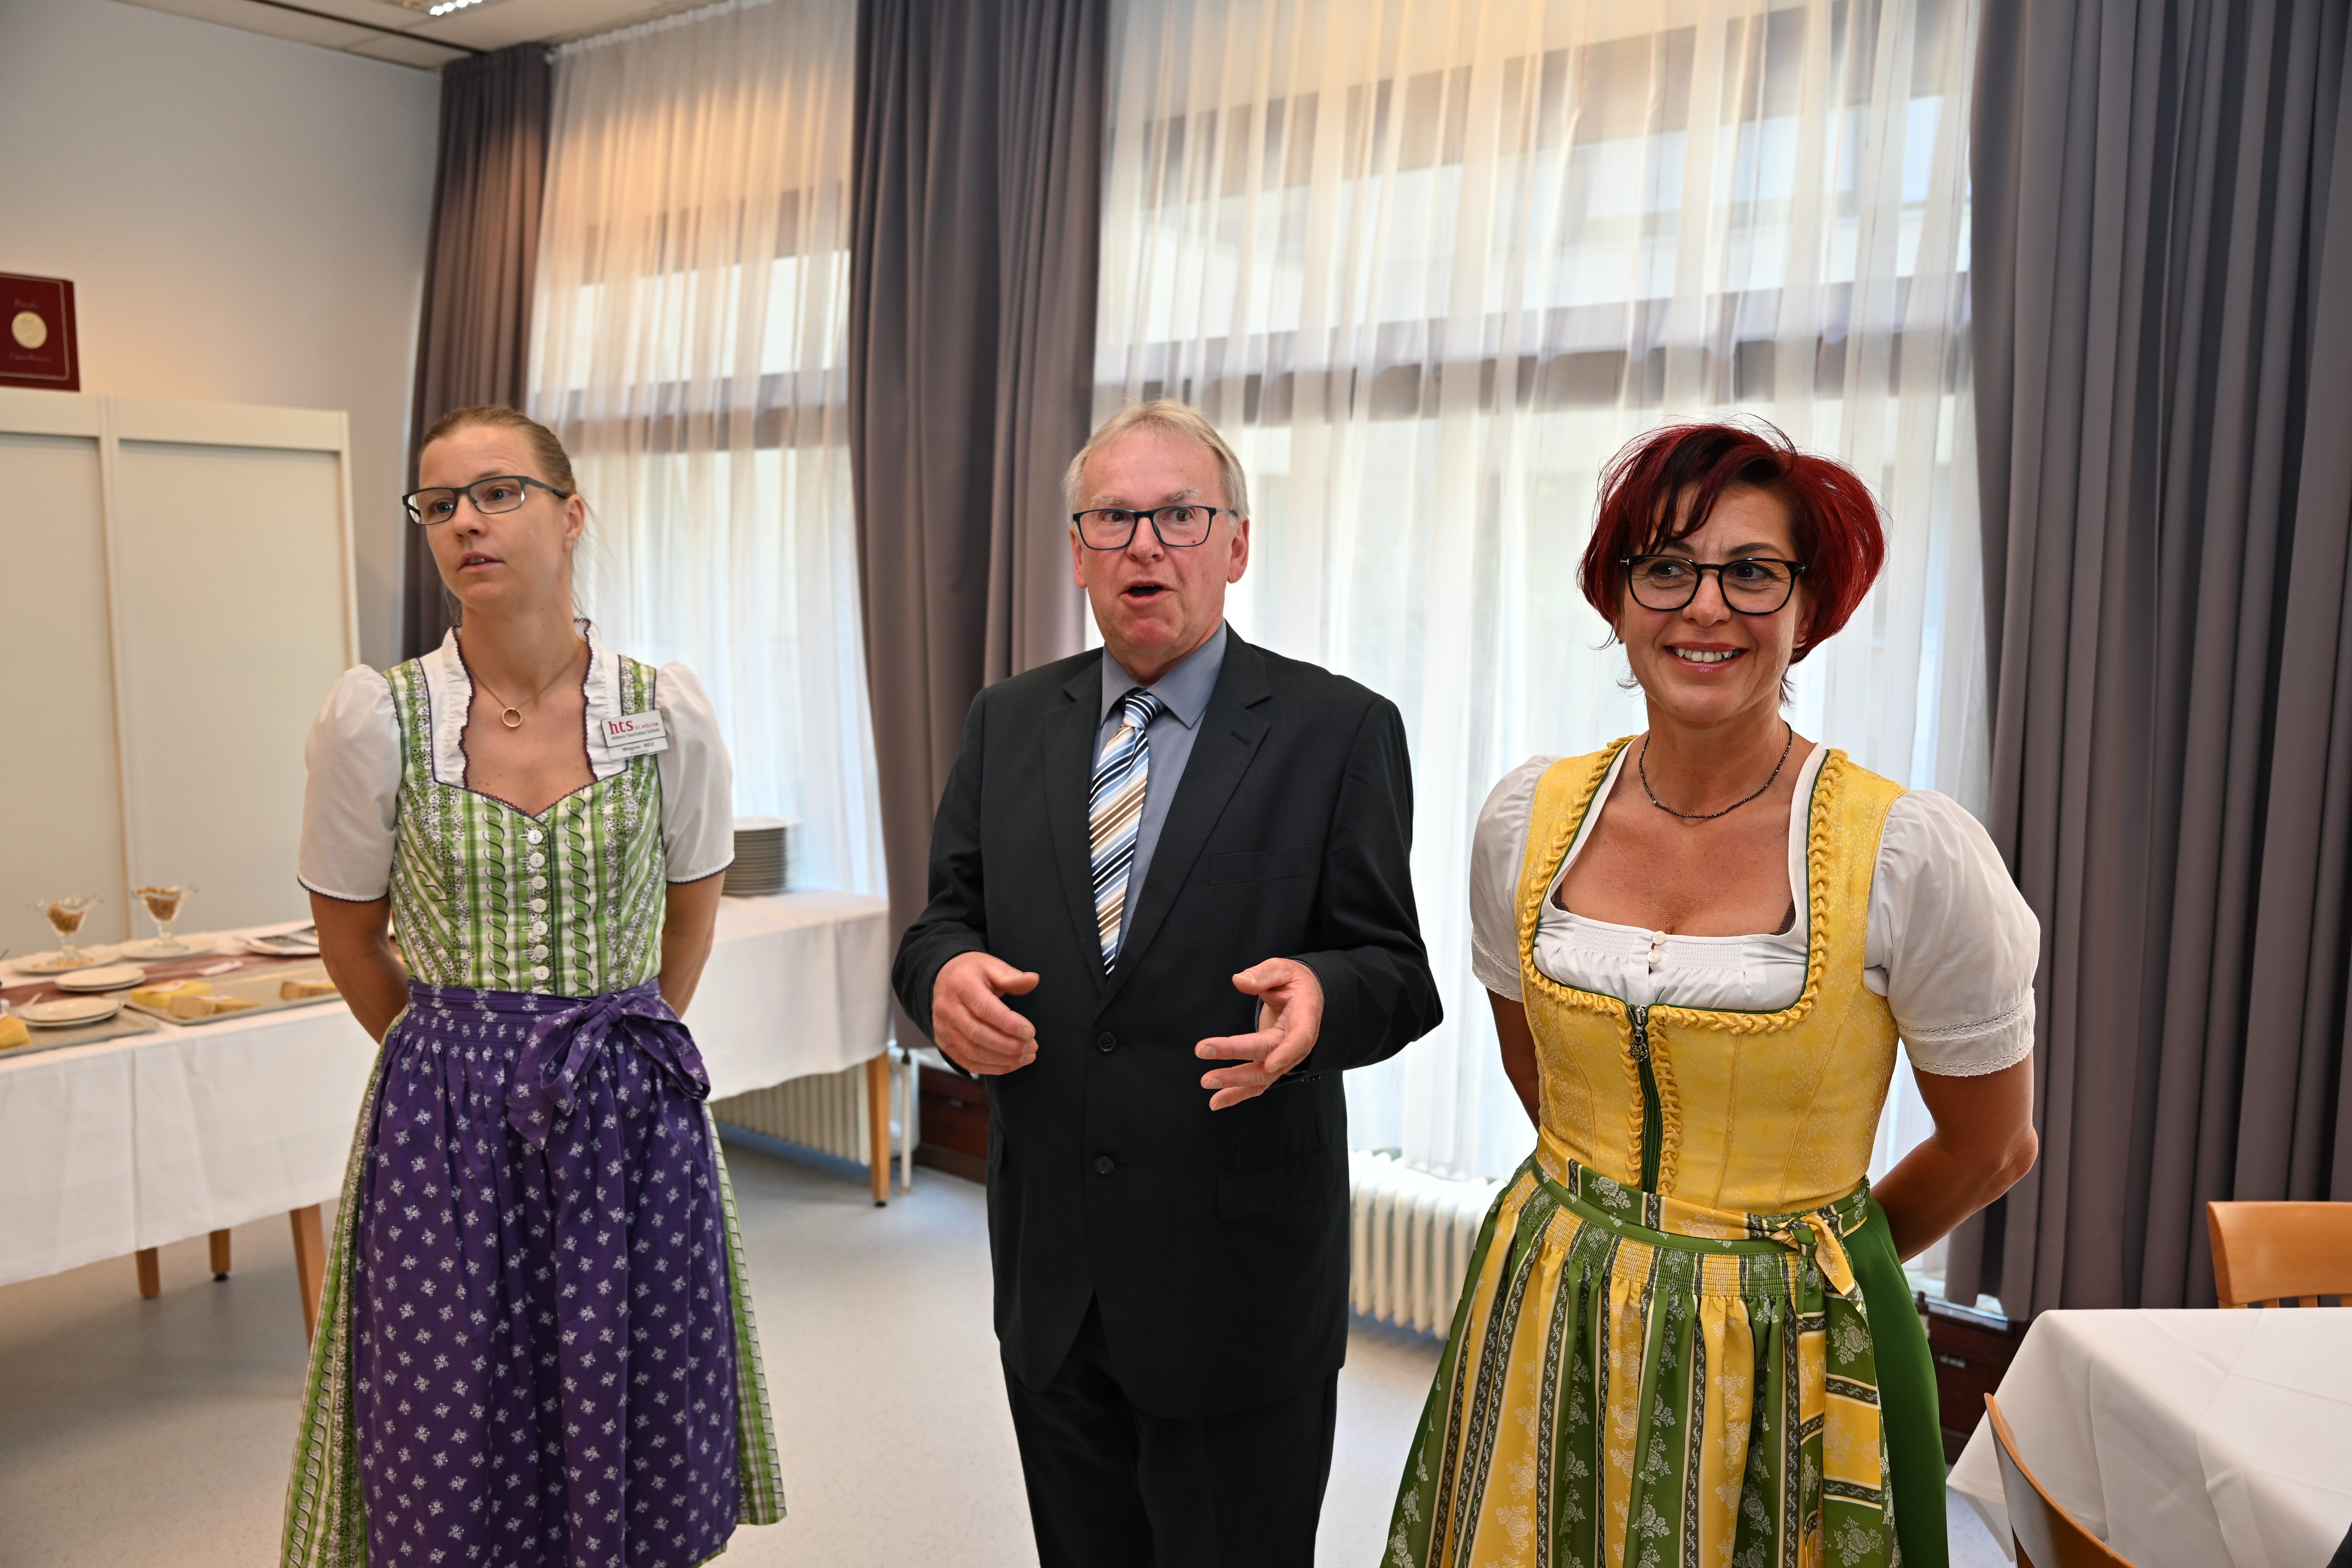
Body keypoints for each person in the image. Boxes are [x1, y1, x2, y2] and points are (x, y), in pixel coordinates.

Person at [1384, 422, 2040, 1568]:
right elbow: (1540, 1072)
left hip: (1793, 1340)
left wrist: (1807, 1271)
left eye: (1752, 572)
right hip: (1553, 1300)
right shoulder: (1528, 819)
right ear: (1617, 597)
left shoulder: (1909, 853)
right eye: (1667, 567)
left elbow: (1992, 1146)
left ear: (1808, 607)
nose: (1705, 607)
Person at [892, 400, 1444, 1568]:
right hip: (1052, 1274)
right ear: (1078, 550)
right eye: (1114, 518)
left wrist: (1321, 999)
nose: (1145, 545)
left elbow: (1396, 972)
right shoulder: (1006, 722)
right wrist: (942, 977)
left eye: (1180, 516)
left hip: (1234, 1284)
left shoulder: (1337, 730)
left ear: (1235, 545)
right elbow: (942, 922)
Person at [280, 406, 782, 1568]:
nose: (467, 522)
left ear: (570, 516)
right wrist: (464, 1054)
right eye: (440, 504)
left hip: (628, 1106)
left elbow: (690, 915)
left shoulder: (660, 709)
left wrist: (615, 1049)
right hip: (445, 1123)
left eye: (499, 493)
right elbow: (351, 941)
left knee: (635, 1385)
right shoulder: (378, 719)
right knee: (450, 1408)